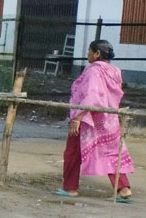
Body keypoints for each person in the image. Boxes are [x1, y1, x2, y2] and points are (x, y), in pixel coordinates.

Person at [57, 40, 133, 201]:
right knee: (112, 152)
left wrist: (77, 117)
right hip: (109, 118)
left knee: (72, 151)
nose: (87, 55)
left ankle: (70, 187)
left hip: (88, 119)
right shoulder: (115, 71)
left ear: (97, 53)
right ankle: (123, 188)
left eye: (90, 51)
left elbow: (92, 96)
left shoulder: (94, 71)